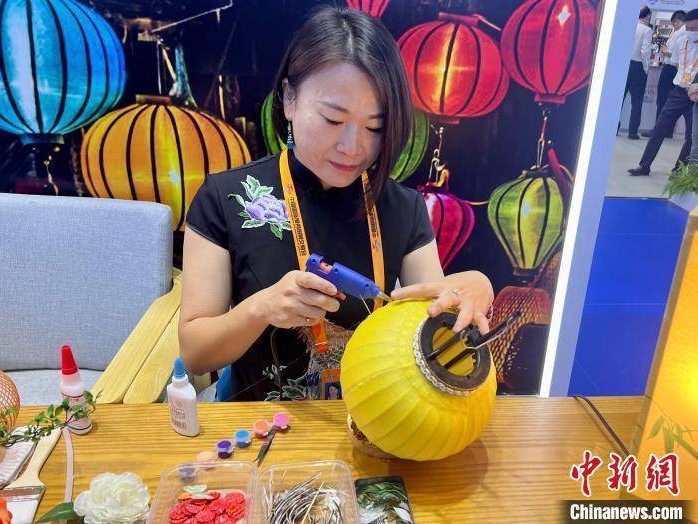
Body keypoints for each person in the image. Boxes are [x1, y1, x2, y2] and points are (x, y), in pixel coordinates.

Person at [179, 7, 494, 401]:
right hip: (262, 424)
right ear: (289, 99)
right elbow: (194, 355)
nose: (353, 147)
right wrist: (261, 308)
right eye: (332, 119)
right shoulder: (226, 198)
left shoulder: (403, 208)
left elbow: (435, 329)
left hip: (374, 418)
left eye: (375, 127)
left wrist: (474, 290)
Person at [629, 9, 698, 177]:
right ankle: (644, 165)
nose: (690, 32)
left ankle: (678, 171)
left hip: (695, 95)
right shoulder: (681, 41)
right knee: (659, 128)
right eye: (688, 28)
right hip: (679, 91)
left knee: (691, 136)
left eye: (694, 28)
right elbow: (676, 63)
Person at [642, 10, 686, 138]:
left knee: (662, 100)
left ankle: (659, 130)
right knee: (672, 101)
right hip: (676, 70)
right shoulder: (684, 33)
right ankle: (668, 130)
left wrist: (665, 51)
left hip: (670, 69)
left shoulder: (679, 33)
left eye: (674, 23)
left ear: (678, 21)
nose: (673, 26)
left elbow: (675, 54)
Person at [621, 6, 652, 140]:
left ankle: (613, 128)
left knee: (619, 99)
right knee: (637, 101)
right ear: (647, 16)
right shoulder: (647, 30)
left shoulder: (628, 27)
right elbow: (645, 50)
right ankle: (632, 132)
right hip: (638, 66)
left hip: (623, 65)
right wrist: (646, 68)